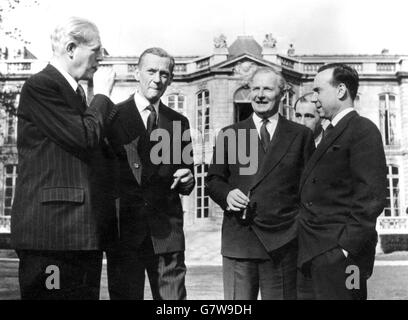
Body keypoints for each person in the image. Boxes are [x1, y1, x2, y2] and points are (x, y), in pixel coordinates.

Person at [11, 17, 116, 300]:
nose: (101, 58)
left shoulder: (73, 92)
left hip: (79, 233)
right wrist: (103, 95)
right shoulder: (42, 86)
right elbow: (84, 137)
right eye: (96, 50)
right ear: (71, 48)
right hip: (52, 233)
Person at [206, 67, 315, 300]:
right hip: (240, 240)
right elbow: (213, 180)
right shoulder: (230, 134)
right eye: (255, 88)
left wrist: (297, 231)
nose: (260, 95)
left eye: (268, 88)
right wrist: (226, 195)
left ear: (282, 94)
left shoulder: (300, 135)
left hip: (283, 243)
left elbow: (310, 191)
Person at [106, 47, 195, 300]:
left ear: (171, 79)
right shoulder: (113, 117)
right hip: (125, 234)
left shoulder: (179, 123)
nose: (157, 79)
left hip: (167, 233)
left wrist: (188, 180)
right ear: (137, 73)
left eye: (164, 74)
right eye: (151, 71)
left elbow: (186, 175)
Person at [297, 63, 388, 300]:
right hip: (316, 253)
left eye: (318, 91)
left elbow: (371, 197)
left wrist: (345, 248)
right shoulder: (330, 132)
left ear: (340, 91)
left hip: (343, 257)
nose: (314, 99)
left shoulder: (362, 130)